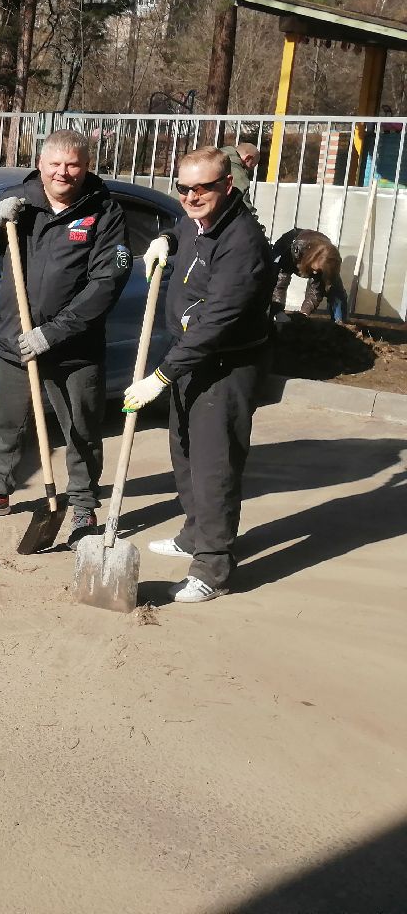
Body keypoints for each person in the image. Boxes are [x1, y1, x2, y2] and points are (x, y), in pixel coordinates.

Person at [0, 129, 132, 546]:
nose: (63, 172)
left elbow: (106, 284)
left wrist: (52, 333)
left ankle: (83, 506)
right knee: (6, 424)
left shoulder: (104, 212)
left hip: (75, 349)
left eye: (73, 165)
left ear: (86, 167)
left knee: (81, 431)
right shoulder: (19, 203)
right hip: (15, 339)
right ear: (41, 164)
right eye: (55, 163)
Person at [128, 146, 274, 603]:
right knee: (185, 451)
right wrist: (166, 240)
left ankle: (213, 567)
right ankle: (195, 533)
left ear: (227, 185)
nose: (191, 197)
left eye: (202, 188)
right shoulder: (198, 221)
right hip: (192, 357)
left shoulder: (243, 243)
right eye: (183, 188)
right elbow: (182, 228)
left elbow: (215, 325)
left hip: (225, 365)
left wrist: (160, 377)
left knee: (215, 466)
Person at [270, 227, 348, 323]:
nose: (315, 273)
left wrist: (304, 313)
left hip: (312, 254)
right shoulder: (293, 252)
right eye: (315, 270)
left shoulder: (328, 261)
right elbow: (280, 284)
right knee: (272, 281)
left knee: (335, 290)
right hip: (287, 247)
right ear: (312, 257)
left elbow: (317, 290)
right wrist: (278, 312)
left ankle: (340, 324)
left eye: (318, 271)